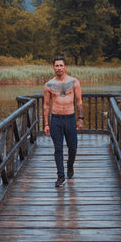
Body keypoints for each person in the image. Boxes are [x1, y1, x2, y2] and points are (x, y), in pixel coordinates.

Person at [43, 55, 84, 187]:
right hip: (56, 120)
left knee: (73, 147)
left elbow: (79, 102)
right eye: (57, 66)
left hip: (70, 118)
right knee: (58, 149)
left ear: (65, 67)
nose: (59, 68)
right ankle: (61, 176)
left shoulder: (74, 82)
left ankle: (70, 166)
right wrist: (46, 124)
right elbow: (46, 106)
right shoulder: (48, 85)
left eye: (61, 65)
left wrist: (81, 119)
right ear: (53, 67)